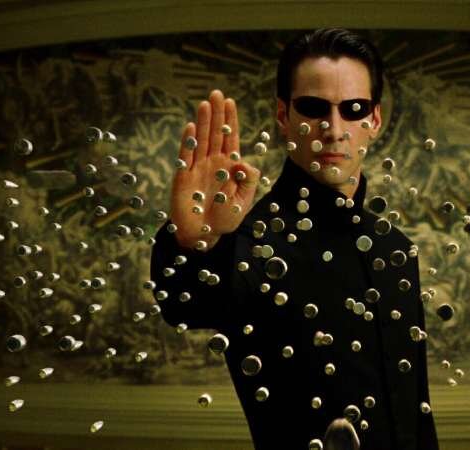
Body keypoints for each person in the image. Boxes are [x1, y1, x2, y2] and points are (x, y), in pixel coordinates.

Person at [150, 28, 439, 450]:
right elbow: (186, 303)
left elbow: (417, 411)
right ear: (284, 117)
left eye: (353, 109)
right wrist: (195, 242)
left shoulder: (394, 248)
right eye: (313, 107)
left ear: (374, 121)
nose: (333, 128)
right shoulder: (252, 242)